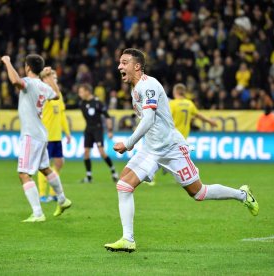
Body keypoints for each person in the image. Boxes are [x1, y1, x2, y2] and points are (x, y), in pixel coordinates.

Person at [104, 48, 259, 252]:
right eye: (120, 63)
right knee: (124, 185)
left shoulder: (148, 85)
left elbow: (149, 119)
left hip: (171, 148)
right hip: (151, 150)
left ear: (137, 66)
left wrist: (128, 143)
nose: (119, 67)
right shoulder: (135, 90)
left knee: (199, 193)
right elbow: (148, 121)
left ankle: (242, 195)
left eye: (124, 62)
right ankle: (128, 239)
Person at [1, 54, 72, 222]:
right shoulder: (43, 86)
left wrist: (7, 62)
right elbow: (56, 95)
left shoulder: (30, 83)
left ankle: (38, 213)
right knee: (45, 168)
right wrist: (48, 78)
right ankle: (62, 199)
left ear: (27, 67)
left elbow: (15, 81)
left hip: (31, 134)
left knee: (24, 174)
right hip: (41, 134)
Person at [37, 70, 71, 202]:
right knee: (44, 166)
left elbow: (61, 116)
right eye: (52, 78)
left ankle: (53, 193)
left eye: (55, 78)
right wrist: (47, 77)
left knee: (59, 163)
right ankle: (41, 194)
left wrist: (67, 133)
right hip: (46, 137)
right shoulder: (44, 94)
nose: (54, 80)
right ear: (45, 79)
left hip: (57, 137)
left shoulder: (59, 95)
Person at [77, 83, 119, 183]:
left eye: (81, 92)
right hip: (88, 130)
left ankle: (113, 171)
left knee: (101, 152)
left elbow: (107, 116)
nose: (79, 94)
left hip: (97, 129)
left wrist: (109, 131)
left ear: (87, 91)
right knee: (86, 153)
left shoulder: (97, 103)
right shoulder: (81, 103)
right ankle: (89, 176)